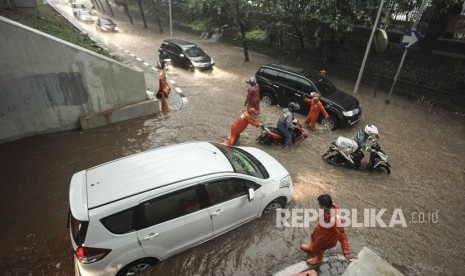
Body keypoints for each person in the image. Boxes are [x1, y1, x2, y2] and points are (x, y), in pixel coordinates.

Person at [301, 194, 353, 265]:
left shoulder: (335, 219)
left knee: (318, 248)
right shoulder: (331, 206)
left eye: (320, 205)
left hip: (326, 239)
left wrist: (346, 252)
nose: (319, 207)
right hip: (320, 230)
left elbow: (342, 236)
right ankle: (311, 247)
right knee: (313, 237)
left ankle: (318, 259)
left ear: (324, 206)